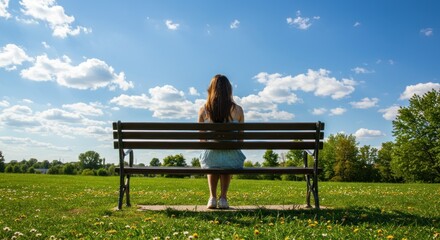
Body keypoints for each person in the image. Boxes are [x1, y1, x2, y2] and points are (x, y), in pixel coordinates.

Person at [198, 74, 246, 209]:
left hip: (210, 158)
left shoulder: (203, 110)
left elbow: (202, 141)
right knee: (226, 158)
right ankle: (223, 198)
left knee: (212, 159)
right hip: (232, 158)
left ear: (211, 89)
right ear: (229, 90)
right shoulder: (238, 110)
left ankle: (212, 198)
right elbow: (240, 139)